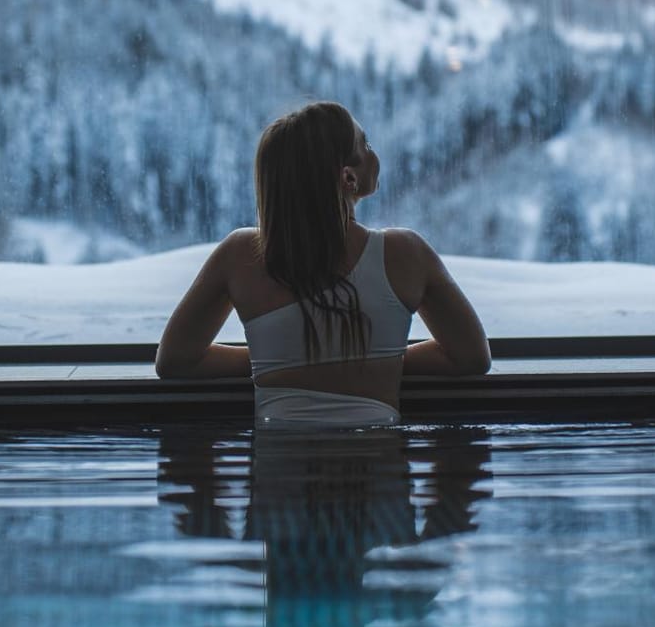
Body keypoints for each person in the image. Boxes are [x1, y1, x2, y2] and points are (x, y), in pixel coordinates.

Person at [155, 101, 491, 424]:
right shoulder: (406, 253)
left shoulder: (241, 254)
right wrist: (378, 358)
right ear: (348, 178)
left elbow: (176, 360)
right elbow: (472, 357)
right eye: (367, 144)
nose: (376, 155)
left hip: (280, 459)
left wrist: (276, 357)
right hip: (378, 460)